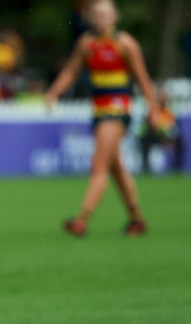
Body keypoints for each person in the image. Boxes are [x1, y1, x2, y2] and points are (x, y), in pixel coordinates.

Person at [45, 0, 159, 237]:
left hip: (118, 111)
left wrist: (154, 110)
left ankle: (81, 219)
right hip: (98, 112)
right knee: (115, 166)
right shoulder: (86, 43)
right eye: (97, 14)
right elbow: (71, 71)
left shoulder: (125, 43)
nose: (101, 18)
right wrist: (55, 91)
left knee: (99, 164)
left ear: (115, 17)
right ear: (89, 17)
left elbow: (143, 79)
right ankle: (136, 218)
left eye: (106, 14)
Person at [139, 87, 185, 173]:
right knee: (146, 140)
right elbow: (150, 123)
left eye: (163, 96)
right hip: (153, 135)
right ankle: (145, 167)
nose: (161, 98)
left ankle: (175, 167)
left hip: (166, 135)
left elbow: (171, 124)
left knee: (178, 139)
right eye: (159, 96)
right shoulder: (153, 108)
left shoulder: (170, 109)